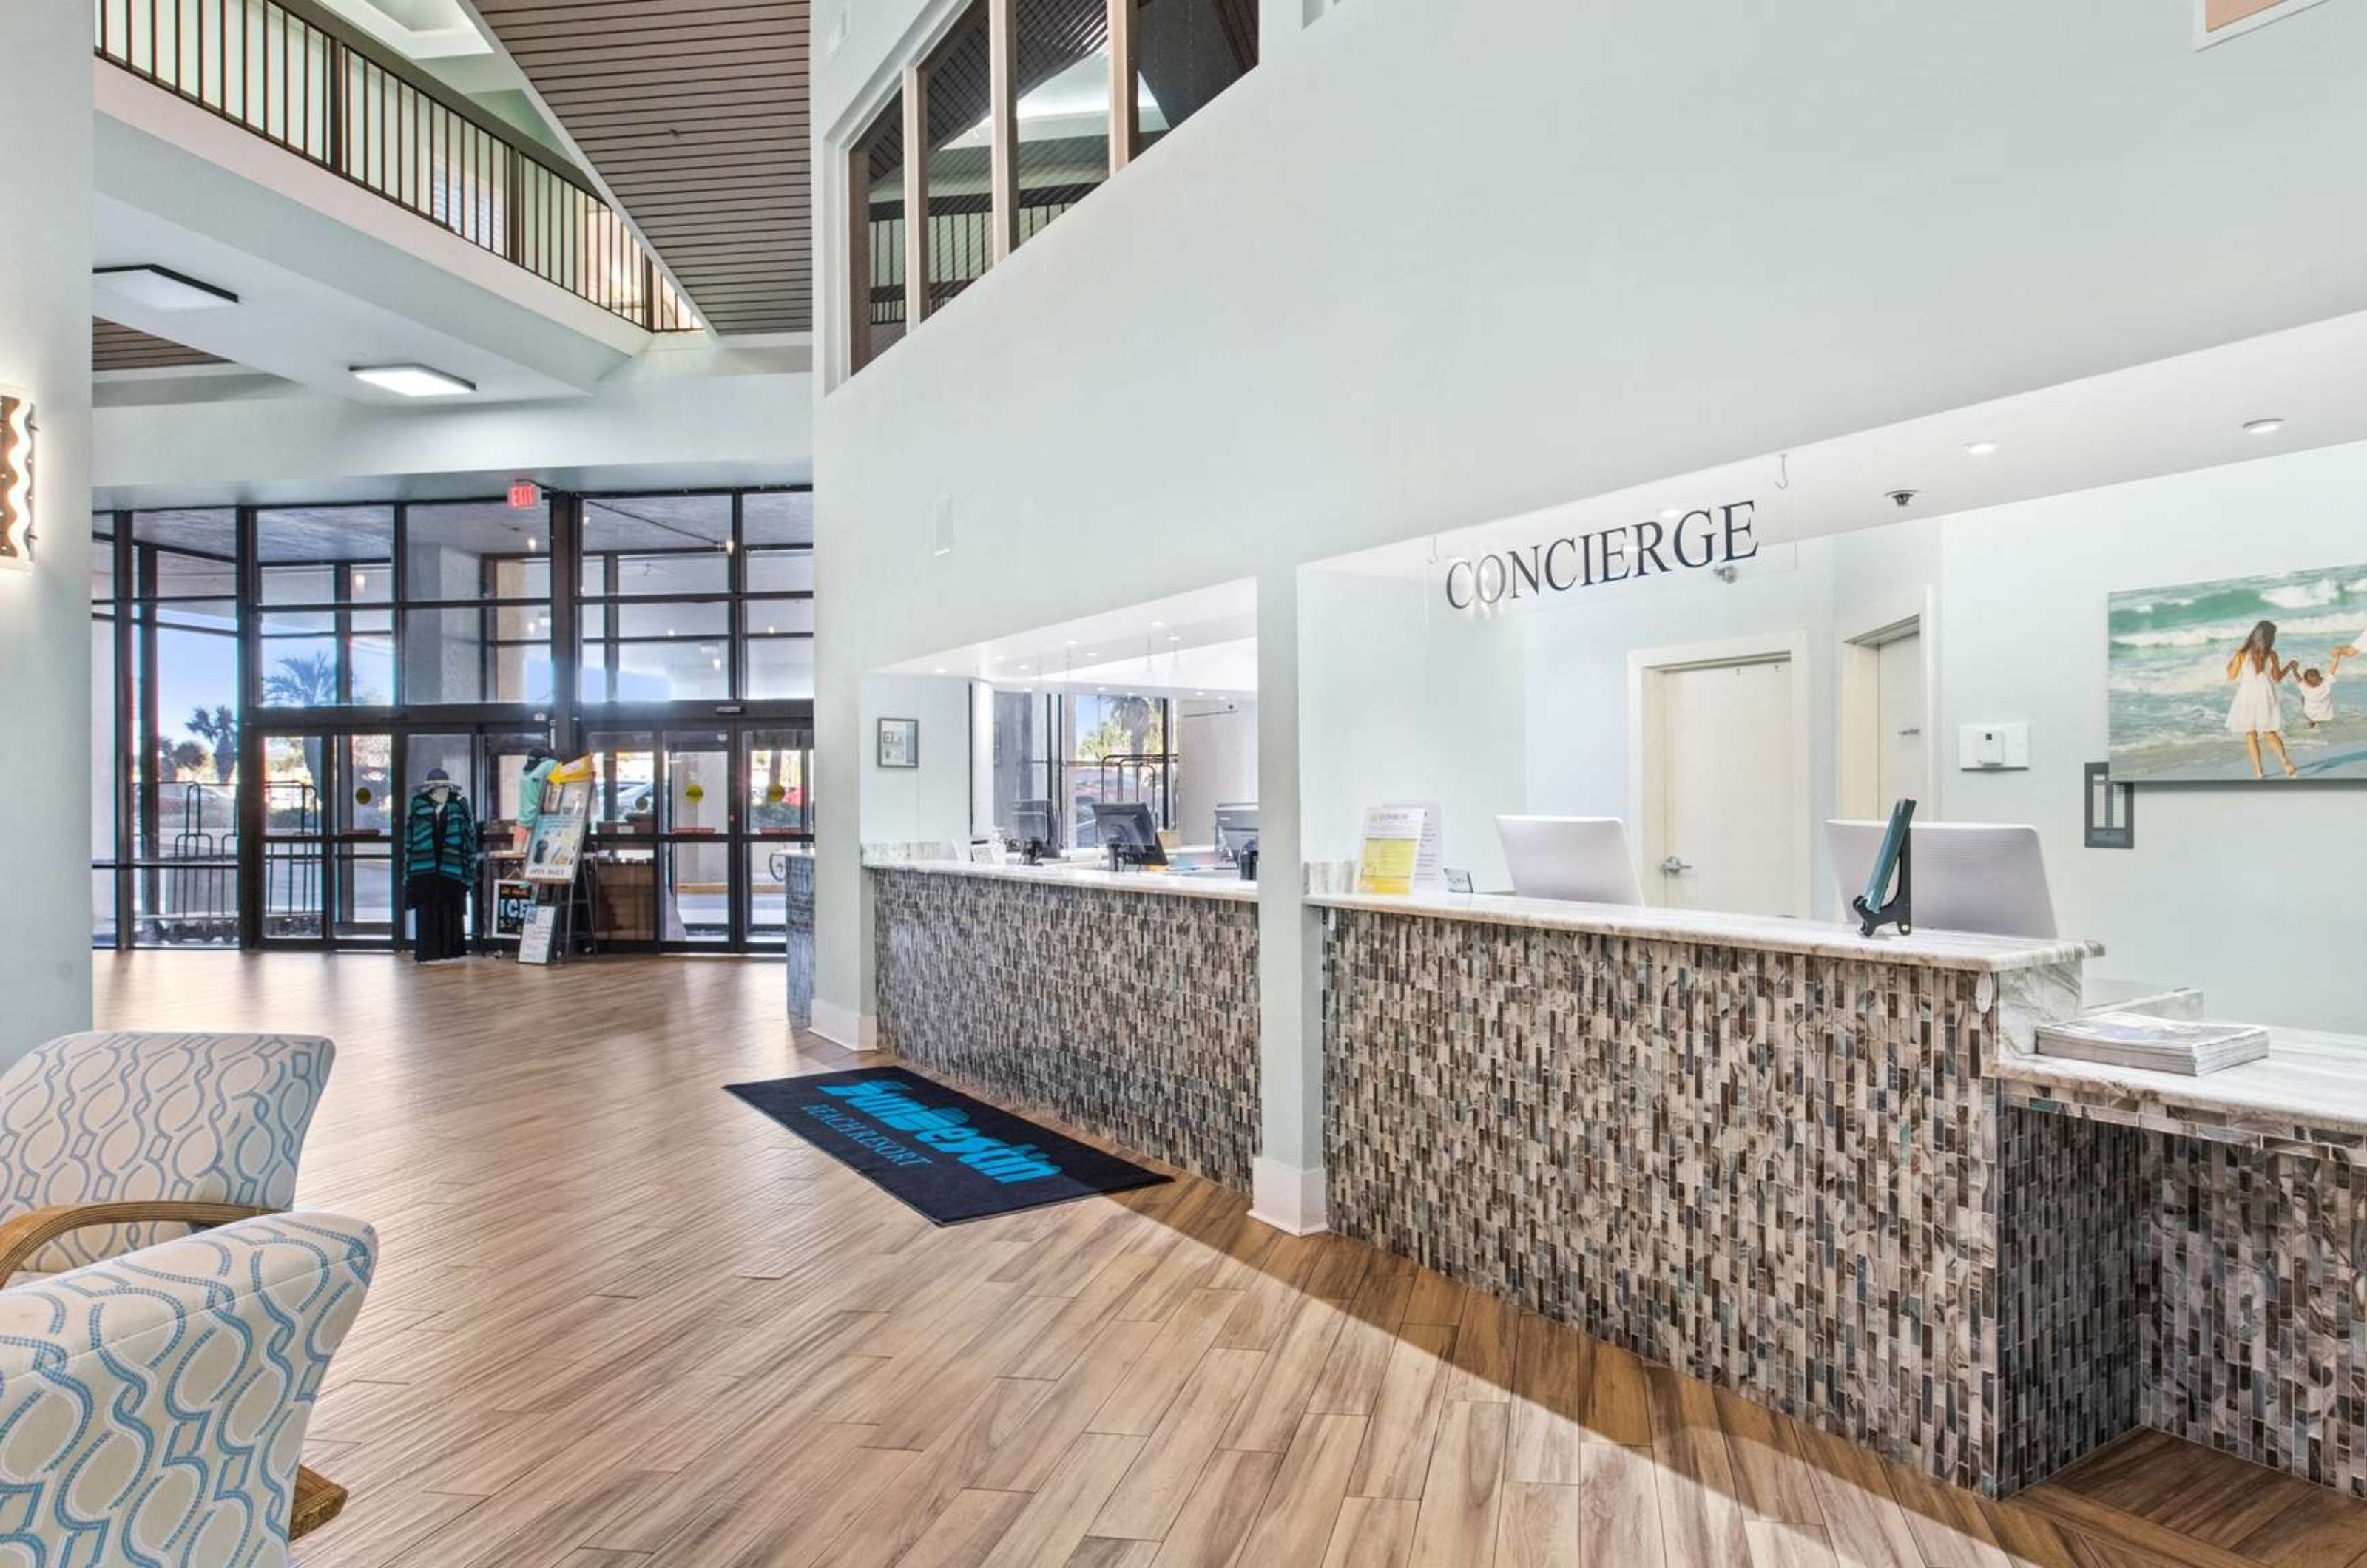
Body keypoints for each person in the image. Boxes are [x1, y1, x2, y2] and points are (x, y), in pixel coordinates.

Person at [2225, 618, 2297, 778]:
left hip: (2248, 693)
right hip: (2265, 692)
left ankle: (2259, 771)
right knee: (2270, 731)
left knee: (2250, 733)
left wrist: (2230, 664)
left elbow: (2231, 676)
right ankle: (2284, 759)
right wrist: (2290, 667)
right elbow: (2277, 678)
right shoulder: (2272, 654)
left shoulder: (2242, 654)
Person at [2299, 646, 2353, 727]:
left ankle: (2312, 722)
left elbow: (2298, 678)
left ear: (2306, 682)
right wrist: (2336, 657)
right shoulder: (2326, 685)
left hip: (2311, 716)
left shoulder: (2304, 688)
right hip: (2327, 717)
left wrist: (2293, 668)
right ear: (2319, 677)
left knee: (2303, 697)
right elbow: (2332, 670)